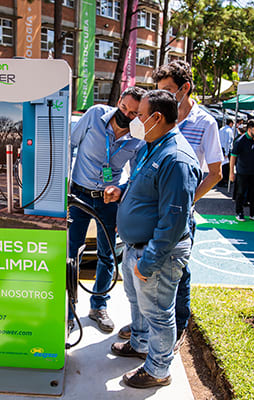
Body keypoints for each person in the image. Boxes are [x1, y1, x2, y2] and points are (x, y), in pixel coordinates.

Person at [117, 60, 223, 348]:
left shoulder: (202, 125)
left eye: (167, 89)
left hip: (173, 219)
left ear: (184, 89)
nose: (136, 119)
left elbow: (215, 173)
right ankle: (143, 338)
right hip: (148, 225)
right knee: (144, 296)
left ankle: (168, 342)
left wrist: (184, 202)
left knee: (170, 289)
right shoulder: (152, 136)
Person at [104, 90, 201, 388]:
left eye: (140, 115)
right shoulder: (151, 145)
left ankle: (158, 370)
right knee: (138, 304)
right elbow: (141, 184)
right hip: (137, 247)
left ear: (157, 118)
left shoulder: (176, 159)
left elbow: (173, 221)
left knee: (158, 314)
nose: (134, 120)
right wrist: (121, 189)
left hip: (158, 253)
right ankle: (140, 343)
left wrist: (149, 262)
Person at [69, 86, 146, 333]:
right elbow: (69, 144)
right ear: (119, 101)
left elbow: (136, 174)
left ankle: (98, 306)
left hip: (108, 201)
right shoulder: (94, 115)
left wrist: (121, 189)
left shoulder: (139, 136)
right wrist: (63, 186)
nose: (125, 114)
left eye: (133, 113)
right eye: (123, 107)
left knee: (107, 255)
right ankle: (69, 310)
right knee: (72, 255)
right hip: (79, 194)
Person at [229, 119, 254, 222]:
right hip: (243, 171)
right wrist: (232, 172)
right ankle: (239, 212)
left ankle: (253, 213)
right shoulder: (240, 141)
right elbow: (233, 157)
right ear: (249, 129)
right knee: (241, 192)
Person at [218, 118, 234, 186]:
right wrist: (227, 153)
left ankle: (221, 180)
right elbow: (228, 142)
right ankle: (225, 181)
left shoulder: (221, 129)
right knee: (227, 167)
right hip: (226, 150)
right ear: (230, 123)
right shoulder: (229, 131)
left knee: (221, 165)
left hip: (220, 149)